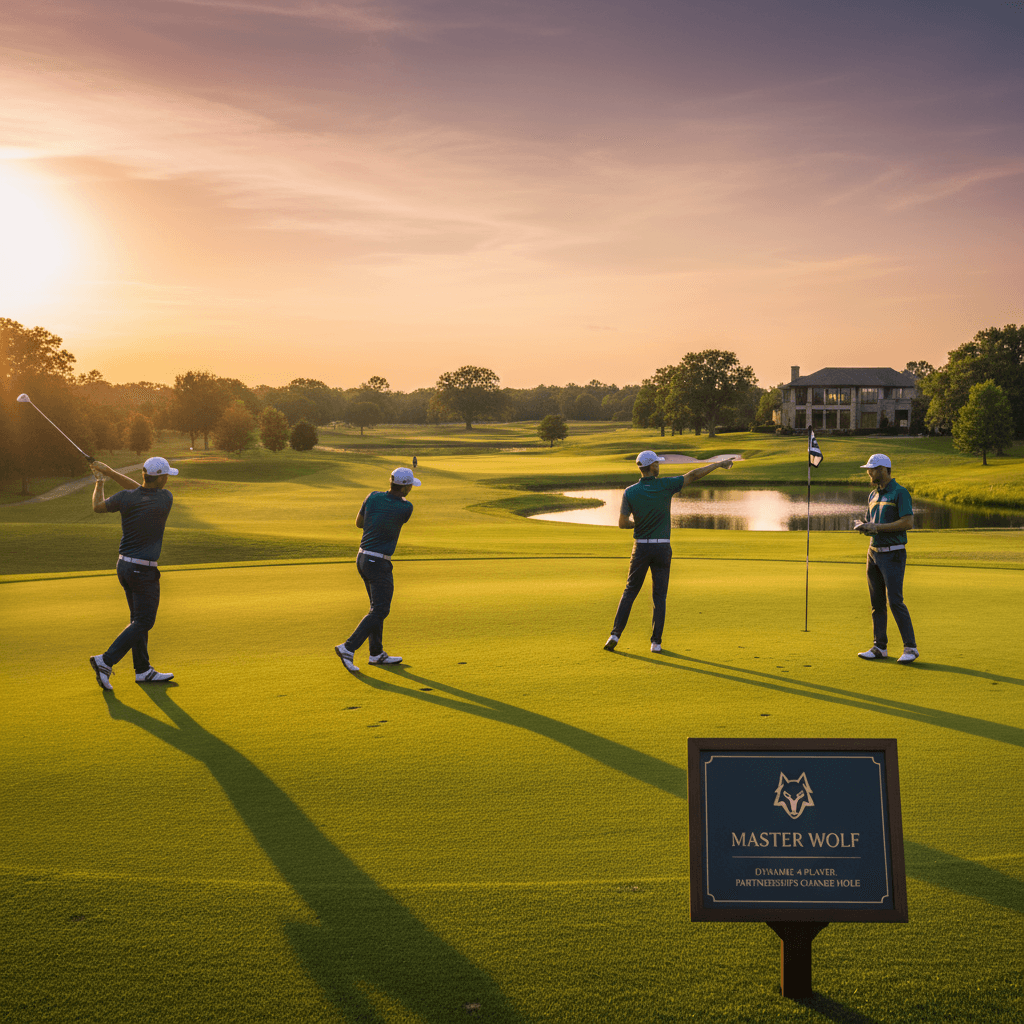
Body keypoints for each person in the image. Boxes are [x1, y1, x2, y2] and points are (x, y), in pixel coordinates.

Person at [605, 450, 735, 654]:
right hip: (662, 547)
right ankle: (656, 643)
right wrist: (719, 464)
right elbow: (693, 475)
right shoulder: (666, 485)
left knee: (630, 592)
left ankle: (615, 635)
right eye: (657, 463)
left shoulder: (630, 492)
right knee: (659, 597)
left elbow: (622, 523)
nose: (659, 466)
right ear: (652, 466)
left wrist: (636, 523)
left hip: (641, 548)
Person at [88, 456, 179, 690]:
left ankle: (143, 670)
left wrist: (102, 479)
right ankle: (105, 661)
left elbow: (98, 507)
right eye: (166, 475)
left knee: (136, 620)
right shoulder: (165, 498)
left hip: (124, 567)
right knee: (145, 620)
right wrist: (109, 471)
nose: (168, 479)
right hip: (142, 570)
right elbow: (138, 489)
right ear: (159, 478)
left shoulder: (127, 498)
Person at [335, 467, 421, 673]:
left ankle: (376, 653)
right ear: (406, 486)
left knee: (375, 608)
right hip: (378, 562)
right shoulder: (405, 508)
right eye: (410, 485)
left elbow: (359, 523)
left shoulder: (372, 496)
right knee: (381, 610)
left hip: (362, 558)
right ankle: (348, 647)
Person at [853, 454, 919, 664]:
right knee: (877, 603)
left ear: (883, 469)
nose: (868, 472)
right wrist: (864, 526)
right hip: (873, 553)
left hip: (893, 553)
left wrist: (877, 528)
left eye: (872, 469)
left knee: (895, 601)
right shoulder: (873, 495)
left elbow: (907, 522)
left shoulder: (900, 493)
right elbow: (872, 522)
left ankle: (911, 648)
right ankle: (879, 647)